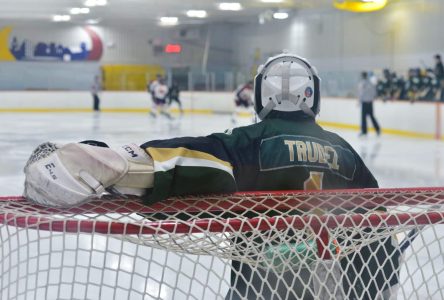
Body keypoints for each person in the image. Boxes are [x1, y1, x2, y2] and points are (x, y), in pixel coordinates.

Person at [23, 53, 399, 299]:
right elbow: (377, 227)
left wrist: (95, 161)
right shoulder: (347, 153)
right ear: (313, 96)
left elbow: (186, 165)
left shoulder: (248, 142)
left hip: (263, 285)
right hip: (335, 289)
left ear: (260, 98)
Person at [358, 71, 381, 136]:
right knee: (372, 116)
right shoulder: (371, 83)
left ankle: (364, 131)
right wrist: (371, 98)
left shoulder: (362, 83)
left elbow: (361, 93)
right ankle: (378, 129)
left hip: (364, 102)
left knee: (363, 117)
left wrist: (359, 101)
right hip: (370, 102)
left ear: (362, 76)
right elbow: (374, 93)